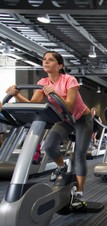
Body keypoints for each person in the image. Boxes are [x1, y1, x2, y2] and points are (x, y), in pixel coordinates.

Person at [6, 51, 93, 209]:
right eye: (44, 59)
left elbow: (70, 106)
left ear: (59, 65)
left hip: (82, 119)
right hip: (66, 119)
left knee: (79, 154)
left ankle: (79, 193)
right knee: (49, 146)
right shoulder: (43, 82)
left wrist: (55, 93)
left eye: (50, 60)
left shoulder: (69, 80)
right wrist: (17, 95)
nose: (45, 62)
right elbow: (33, 104)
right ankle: (61, 166)